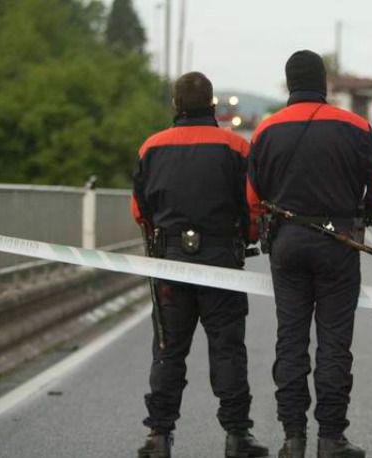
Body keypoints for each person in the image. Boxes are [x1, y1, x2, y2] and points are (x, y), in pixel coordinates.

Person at [247, 50, 372, 458]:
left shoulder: (265, 130)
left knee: (290, 340)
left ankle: (292, 438)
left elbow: (252, 197)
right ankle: (331, 438)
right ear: (324, 82)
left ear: (289, 82)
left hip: (287, 244)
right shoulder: (355, 126)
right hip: (338, 242)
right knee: (334, 343)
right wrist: (363, 214)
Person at [131, 72, 268, 458]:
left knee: (169, 349)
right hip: (222, 261)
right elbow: (252, 207)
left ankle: (158, 435)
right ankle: (238, 435)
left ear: (175, 106)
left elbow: (139, 210)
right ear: (212, 106)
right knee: (227, 348)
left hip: (170, 264)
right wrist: (249, 236)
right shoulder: (236, 147)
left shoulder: (151, 148)